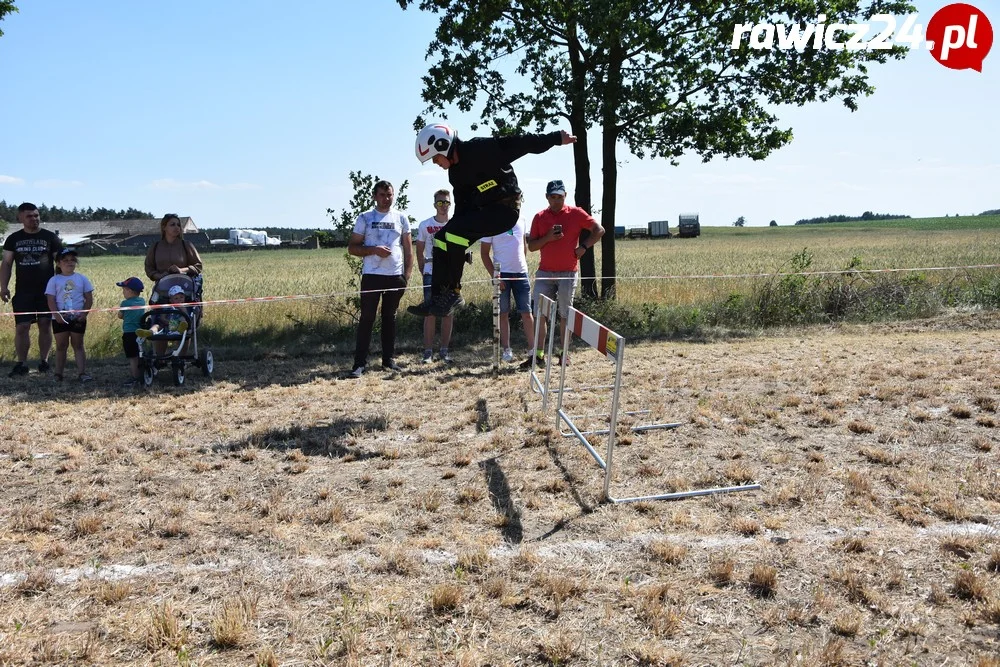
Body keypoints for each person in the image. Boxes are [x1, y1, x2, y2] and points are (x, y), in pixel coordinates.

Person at [408, 123, 576, 318]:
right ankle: (438, 298)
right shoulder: (455, 174)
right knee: (441, 240)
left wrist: (556, 138)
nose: (436, 163)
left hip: (506, 210)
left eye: (435, 158)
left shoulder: (480, 149)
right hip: (484, 212)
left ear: (443, 146)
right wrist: (454, 233)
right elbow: (462, 208)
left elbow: (521, 143)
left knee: (452, 235)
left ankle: (453, 293)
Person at [527, 179, 605, 366]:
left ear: (565, 196)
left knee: (565, 314)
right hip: (544, 272)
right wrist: (547, 238)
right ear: (547, 197)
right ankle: (538, 354)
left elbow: (599, 230)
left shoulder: (576, 213)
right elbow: (531, 247)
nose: (556, 201)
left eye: (559, 197)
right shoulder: (539, 217)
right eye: (552, 197)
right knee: (539, 314)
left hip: (568, 273)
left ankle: (564, 354)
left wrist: (584, 247)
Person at [347, 180, 413, 378]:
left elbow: (409, 250)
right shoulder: (365, 218)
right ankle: (359, 365)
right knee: (367, 318)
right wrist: (373, 250)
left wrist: (406, 277)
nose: (387, 199)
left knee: (389, 318)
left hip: (395, 276)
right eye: (383, 195)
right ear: (375, 196)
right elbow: (352, 248)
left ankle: (388, 360)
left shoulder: (401, 217)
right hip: (372, 276)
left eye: (390, 195)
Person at [1, 202, 62, 377]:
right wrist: (3, 286)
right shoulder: (13, 239)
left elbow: (61, 263)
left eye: (36, 215)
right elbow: (6, 263)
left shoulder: (50, 237)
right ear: (20, 218)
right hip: (23, 292)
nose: (34, 219)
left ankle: (44, 362)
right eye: (29, 216)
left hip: (46, 292)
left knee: (45, 324)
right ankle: (21, 363)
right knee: (22, 327)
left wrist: (62, 287)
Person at [480, 200, 538, 369]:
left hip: (521, 274)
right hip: (501, 274)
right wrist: (496, 276)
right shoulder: (491, 221)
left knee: (527, 313)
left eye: (518, 200)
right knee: (503, 314)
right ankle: (506, 349)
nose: (515, 203)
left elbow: (523, 247)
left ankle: (532, 350)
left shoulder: (523, 220)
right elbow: (484, 254)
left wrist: (522, 267)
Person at [415, 189, 455, 363]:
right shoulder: (425, 225)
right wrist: (423, 268)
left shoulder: (456, 223)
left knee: (448, 312)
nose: (443, 206)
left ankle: (444, 351)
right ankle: (428, 352)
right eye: (440, 203)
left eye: (446, 202)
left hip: (450, 275)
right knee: (430, 313)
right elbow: (419, 249)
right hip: (431, 273)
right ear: (434, 205)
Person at [44, 247, 94, 382]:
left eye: (72, 260)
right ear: (59, 264)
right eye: (65, 260)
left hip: (78, 317)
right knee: (61, 346)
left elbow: (89, 298)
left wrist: (84, 314)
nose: (69, 263)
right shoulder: (54, 280)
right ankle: (58, 374)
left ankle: (82, 373)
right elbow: (50, 299)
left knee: (78, 345)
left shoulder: (82, 279)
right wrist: (57, 315)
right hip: (59, 318)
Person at [144, 213, 203, 297]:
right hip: (162, 291)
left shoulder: (186, 245)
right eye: (172, 225)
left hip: (184, 291)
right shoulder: (155, 247)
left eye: (178, 225)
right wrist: (160, 276)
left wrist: (181, 270)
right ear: (164, 227)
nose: (176, 227)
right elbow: (149, 268)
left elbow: (198, 266)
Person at [116, 276, 146, 386]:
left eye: (124, 290)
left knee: (132, 357)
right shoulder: (142, 301)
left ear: (130, 291)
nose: (123, 292)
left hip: (129, 333)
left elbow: (120, 316)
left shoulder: (125, 304)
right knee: (140, 354)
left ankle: (135, 378)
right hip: (140, 332)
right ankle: (143, 374)